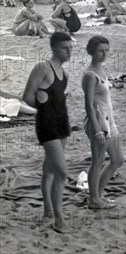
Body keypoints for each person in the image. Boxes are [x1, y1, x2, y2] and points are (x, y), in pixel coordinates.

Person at [22, 32, 73, 232]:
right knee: (62, 172)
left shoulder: (64, 74)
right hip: (47, 126)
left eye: (71, 48)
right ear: (54, 49)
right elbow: (26, 96)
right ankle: (59, 220)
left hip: (62, 123)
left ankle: (48, 212)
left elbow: (58, 100)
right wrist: (41, 105)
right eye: (64, 48)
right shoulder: (42, 68)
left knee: (49, 170)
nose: (69, 52)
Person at [82, 36, 123, 210]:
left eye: (106, 50)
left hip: (109, 119)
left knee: (117, 160)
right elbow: (89, 105)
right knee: (97, 161)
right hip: (98, 121)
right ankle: (94, 200)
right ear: (92, 51)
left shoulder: (101, 70)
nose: (104, 54)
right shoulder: (90, 75)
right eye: (100, 50)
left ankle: (98, 195)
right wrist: (98, 130)